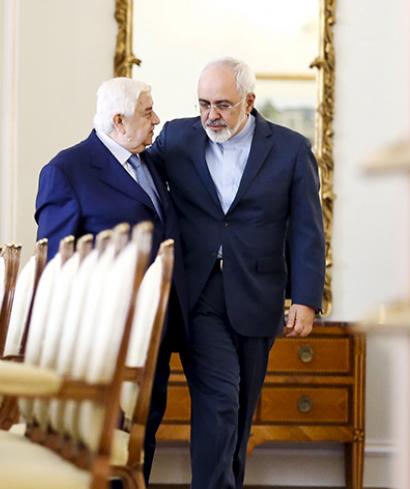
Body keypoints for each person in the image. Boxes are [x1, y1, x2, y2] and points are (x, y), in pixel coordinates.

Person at [147, 57, 325, 489]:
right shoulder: (176, 139)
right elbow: (133, 176)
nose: (211, 115)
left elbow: (307, 228)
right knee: (220, 399)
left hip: (257, 295)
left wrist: (304, 298)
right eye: (204, 104)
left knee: (240, 413)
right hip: (198, 295)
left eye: (223, 105)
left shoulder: (290, 149)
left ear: (249, 101)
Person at [34, 77, 188, 484]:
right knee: (99, 447)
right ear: (118, 121)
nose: (156, 120)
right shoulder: (67, 170)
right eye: (147, 111)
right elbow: (56, 268)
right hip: (98, 342)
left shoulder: (151, 164)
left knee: (142, 437)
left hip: (154, 333)